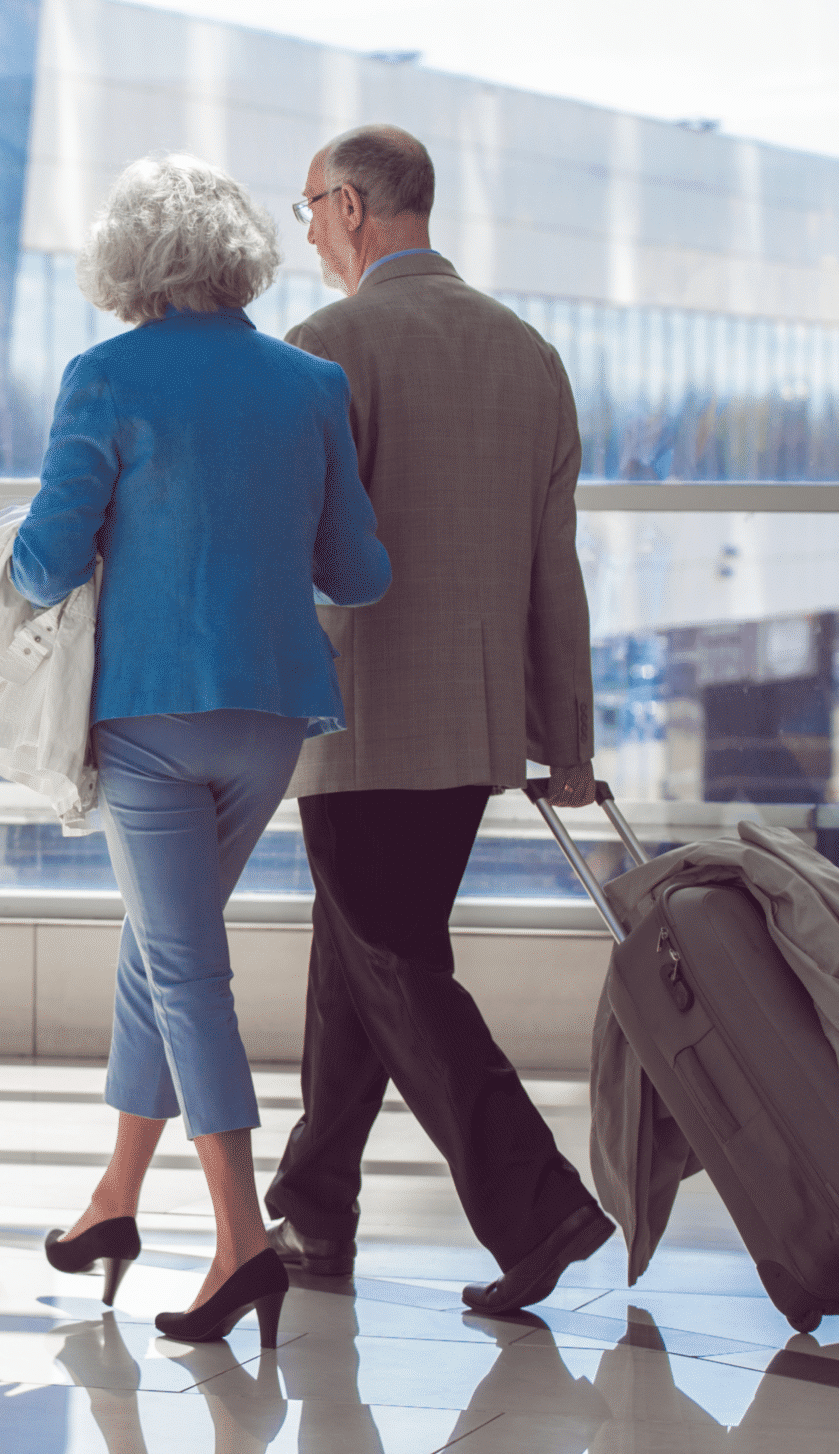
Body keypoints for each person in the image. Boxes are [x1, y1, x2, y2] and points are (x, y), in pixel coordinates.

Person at [15, 152, 391, 1344]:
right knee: (157, 946)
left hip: (151, 724)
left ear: (127, 264)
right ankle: (113, 1204)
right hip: (272, 720)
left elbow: (43, 565)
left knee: (184, 969)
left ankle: (238, 1243)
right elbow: (357, 572)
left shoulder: (105, 377)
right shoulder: (309, 384)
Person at [265, 124, 615, 1314]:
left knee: (394, 965)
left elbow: (293, 549)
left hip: (357, 723)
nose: (304, 229)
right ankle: (311, 1211)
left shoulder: (326, 348)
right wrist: (564, 742)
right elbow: (553, 572)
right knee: (357, 957)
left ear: (354, 205)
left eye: (310, 206)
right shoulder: (529, 355)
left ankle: (541, 1206)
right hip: (470, 734)